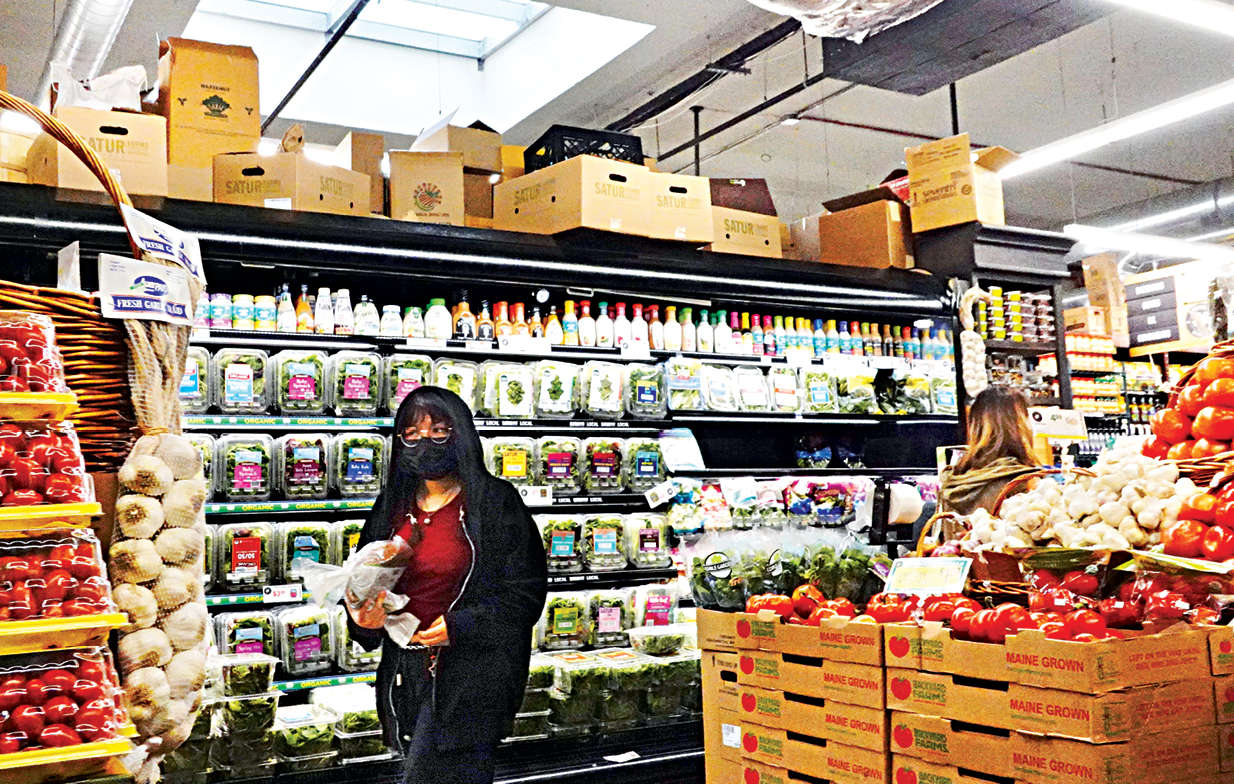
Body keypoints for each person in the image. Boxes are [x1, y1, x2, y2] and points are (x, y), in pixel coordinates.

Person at [351, 386, 547, 784]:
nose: (425, 442)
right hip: (404, 673)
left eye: (439, 431)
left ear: (461, 434)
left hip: (472, 679)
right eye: (412, 434)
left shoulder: (495, 502)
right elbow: (362, 581)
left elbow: (525, 594)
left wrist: (458, 627)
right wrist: (363, 621)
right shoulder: (392, 504)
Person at [939, 385, 1042, 516]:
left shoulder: (953, 481)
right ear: (1018, 425)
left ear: (975, 427)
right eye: (1027, 417)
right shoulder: (1024, 482)